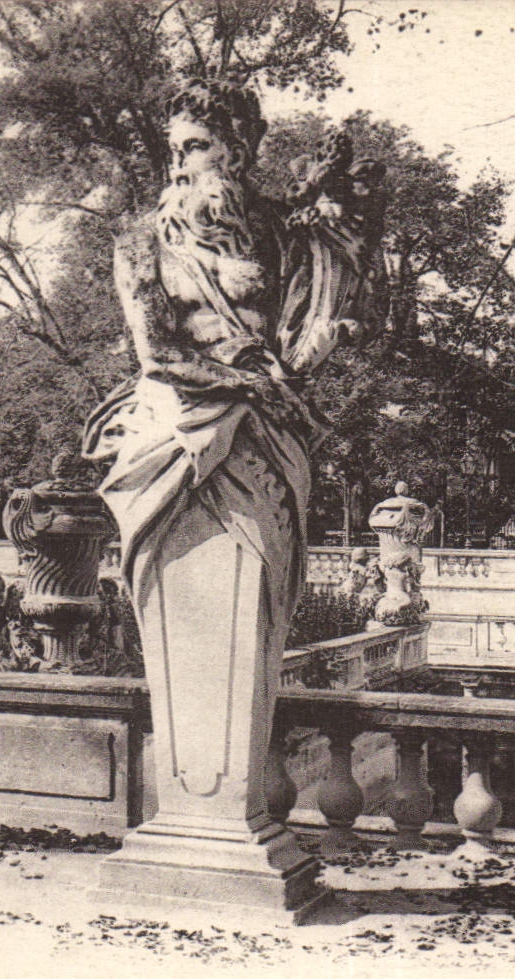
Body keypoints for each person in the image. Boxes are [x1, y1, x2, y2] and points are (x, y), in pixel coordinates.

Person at [82, 78, 384, 804]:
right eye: (174, 150)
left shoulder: (283, 235)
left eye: (198, 147)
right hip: (176, 435)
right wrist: (254, 385)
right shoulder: (139, 239)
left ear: (239, 150)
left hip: (262, 444)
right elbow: (155, 355)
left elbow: (325, 304)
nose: (181, 165)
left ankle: (228, 811)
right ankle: (195, 811)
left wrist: (305, 354)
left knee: (257, 609)